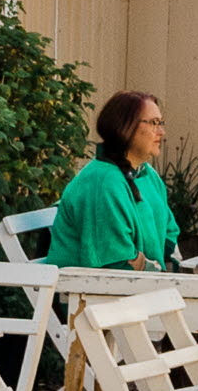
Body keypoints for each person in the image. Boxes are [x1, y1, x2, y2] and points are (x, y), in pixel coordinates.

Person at [48, 90, 180, 270]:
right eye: (154, 123)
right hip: (89, 291)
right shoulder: (103, 182)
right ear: (124, 127)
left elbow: (169, 233)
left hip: (142, 285)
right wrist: (155, 271)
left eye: (161, 123)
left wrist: (159, 266)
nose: (161, 132)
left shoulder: (146, 175)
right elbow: (115, 262)